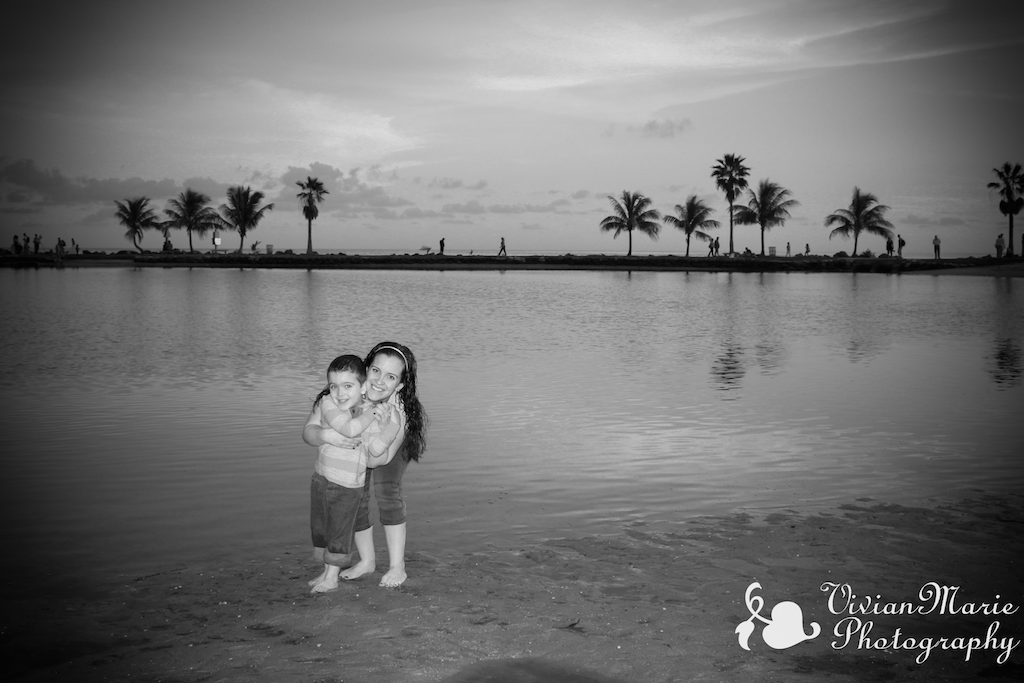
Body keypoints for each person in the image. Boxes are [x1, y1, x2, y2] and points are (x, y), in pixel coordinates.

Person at [305, 342, 427, 588]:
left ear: (399, 384)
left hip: (387, 445)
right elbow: (309, 432)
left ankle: (397, 567)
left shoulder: (397, 412)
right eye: (376, 371)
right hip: (358, 443)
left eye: (391, 376)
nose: (380, 381)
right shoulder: (344, 389)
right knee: (355, 495)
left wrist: (370, 434)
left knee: (387, 492)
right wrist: (326, 436)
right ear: (366, 368)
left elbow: (378, 459)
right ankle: (367, 561)